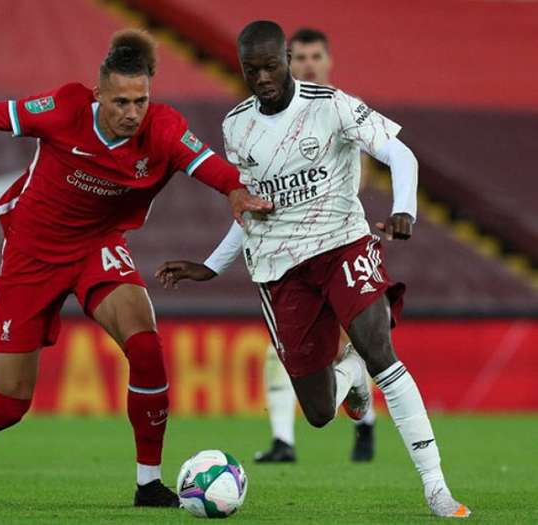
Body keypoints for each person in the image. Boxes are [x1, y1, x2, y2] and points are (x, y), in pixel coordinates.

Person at [0, 29, 271, 506]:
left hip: (95, 247)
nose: (131, 113)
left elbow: (205, 163)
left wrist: (233, 189)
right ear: (97, 93)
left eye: (140, 101)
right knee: (10, 402)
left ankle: (148, 483)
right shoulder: (63, 110)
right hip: (32, 256)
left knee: (145, 346)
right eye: (120, 101)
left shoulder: (162, 128)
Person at [158, 21, 470, 518]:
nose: (262, 77)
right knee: (321, 412)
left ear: (286, 57)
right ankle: (352, 376)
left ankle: (436, 489)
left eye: (270, 65)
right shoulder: (237, 127)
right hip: (281, 270)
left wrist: (404, 206)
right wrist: (213, 266)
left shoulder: (331, 105)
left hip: (343, 244)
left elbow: (399, 152)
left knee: (382, 353)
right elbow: (251, 209)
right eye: (251, 70)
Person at [157, 27, 377, 465]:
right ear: (291, 60)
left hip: (337, 244)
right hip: (285, 252)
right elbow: (255, 201)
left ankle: (361, 420)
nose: (310, 64)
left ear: (328, 62)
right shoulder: (259, 123)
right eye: (304, 57)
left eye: (318, 57)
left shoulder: (341, 111)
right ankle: (286, 439)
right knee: (289, 353)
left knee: (353, 345)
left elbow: (359, 180)